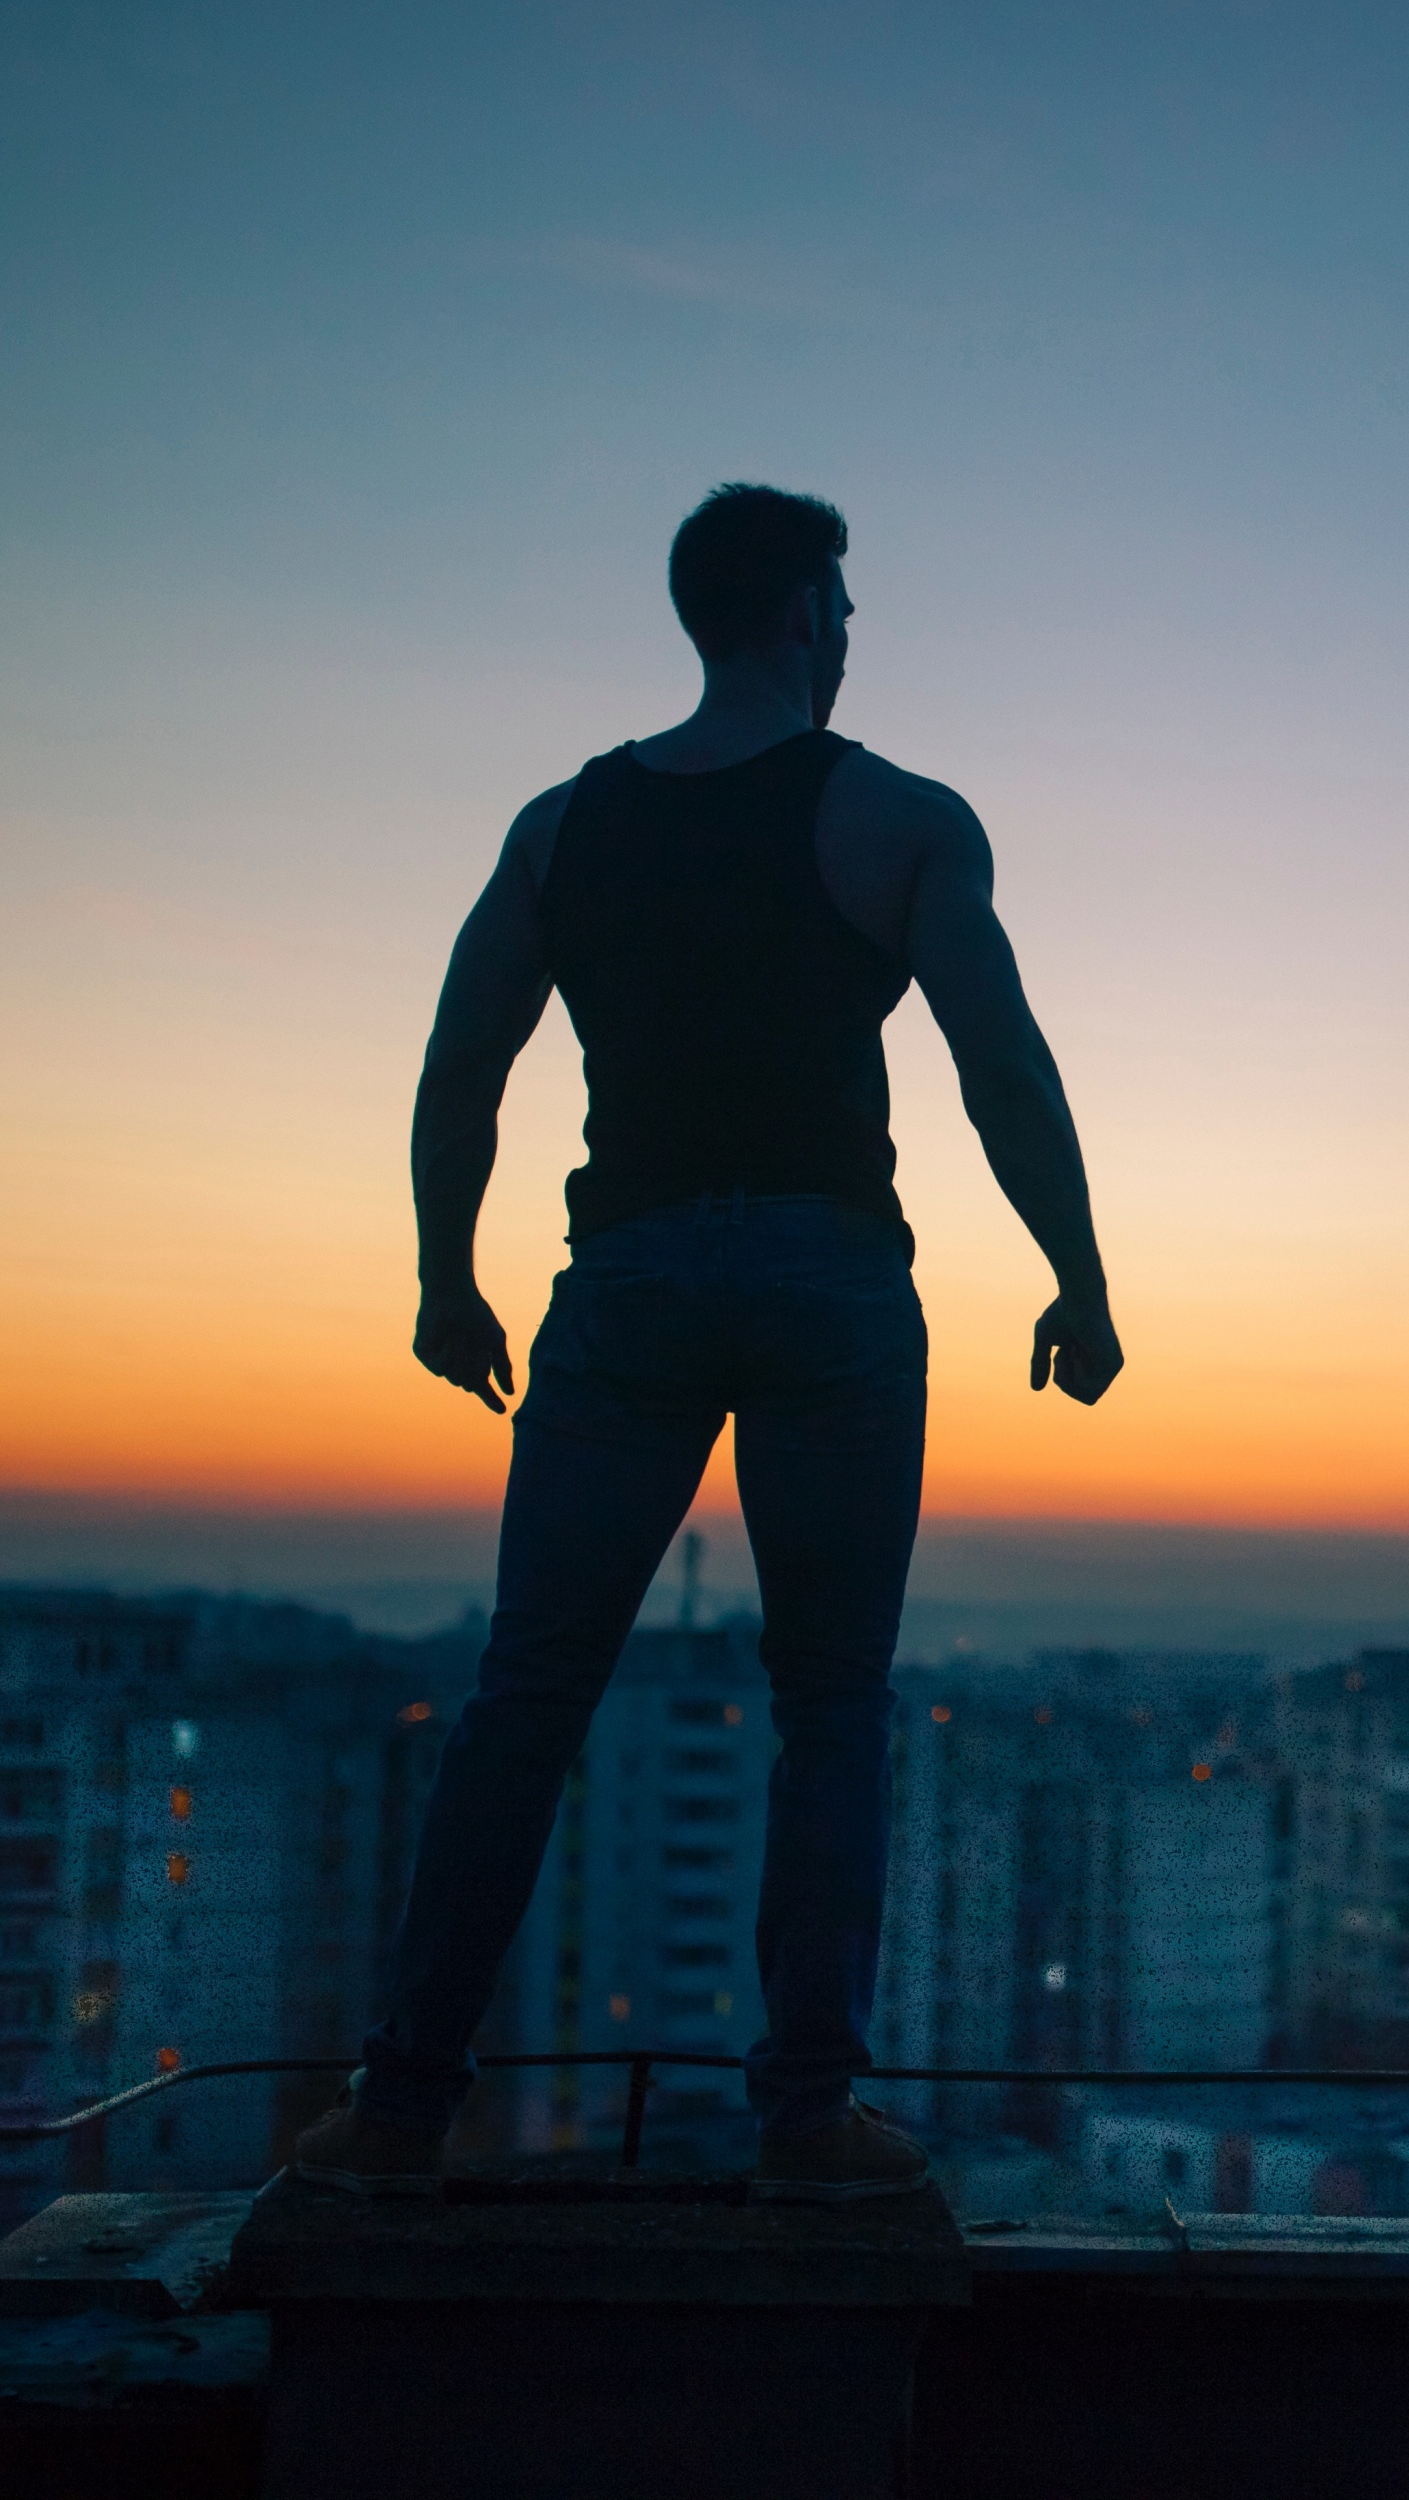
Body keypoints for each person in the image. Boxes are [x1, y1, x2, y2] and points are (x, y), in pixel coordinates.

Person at [296, 483, 1123, 2200]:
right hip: (829, 1282)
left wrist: (447, 1275)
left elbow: (464, 1065)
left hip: (631, 1281)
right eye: (844, 606)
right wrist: (1080, 1276)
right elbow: (1004, 1068)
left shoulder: (560, 829)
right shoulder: (896, 817)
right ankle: (810, 2121)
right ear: (809, 611)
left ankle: (397, 2110)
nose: (845, 634)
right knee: (830, 1704)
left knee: (528, 1698)